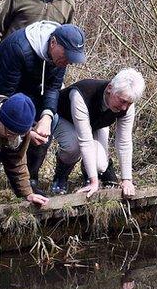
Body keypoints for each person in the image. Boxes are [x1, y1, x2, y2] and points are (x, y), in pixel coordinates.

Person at [0, 21, 87, 192]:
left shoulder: (60, 59)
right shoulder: (19, 48)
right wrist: (27, 130)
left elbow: (53, 88)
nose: (68, 62)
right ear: (53, 42)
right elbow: (5, 96)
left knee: (50, 122)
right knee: (3, 125)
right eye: (66, 56)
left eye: (72, 58)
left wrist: (46, 117)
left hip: (29, 89)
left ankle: (30, 178)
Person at [50, 68, 145, 197]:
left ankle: (87, 170)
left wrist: (127, 180)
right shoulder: (82, 94)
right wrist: (94, 182)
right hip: (65, 118)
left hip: (96, 124)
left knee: (100, 165)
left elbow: (124, 142)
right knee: (73, 147)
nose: (124, 107)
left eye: (129, 103)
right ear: (110, 88)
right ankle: (61, 176)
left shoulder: (127, 102)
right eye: (122, 101)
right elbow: (85, 140)